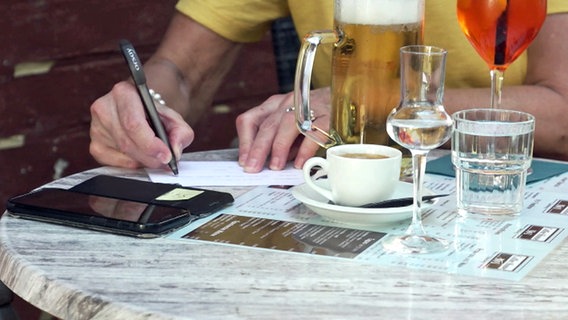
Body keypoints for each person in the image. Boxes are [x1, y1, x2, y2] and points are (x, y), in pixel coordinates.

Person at [89, 0, 568, 174]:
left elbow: (562, 113)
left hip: (512, 194)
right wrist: (143, 108)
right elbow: (181, 67)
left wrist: (370, 103)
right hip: (348, 186)